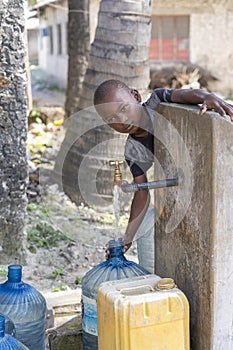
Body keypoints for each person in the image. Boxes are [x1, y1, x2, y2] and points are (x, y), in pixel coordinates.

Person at [94, 79, 233, 267]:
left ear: (135, 96)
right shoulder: (134, 151)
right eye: (111, 119)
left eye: (124, 108)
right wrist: (127, 237)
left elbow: (185, 95)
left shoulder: (157, 101)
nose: (121, 120)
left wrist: (207, 97)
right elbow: (141, 192)